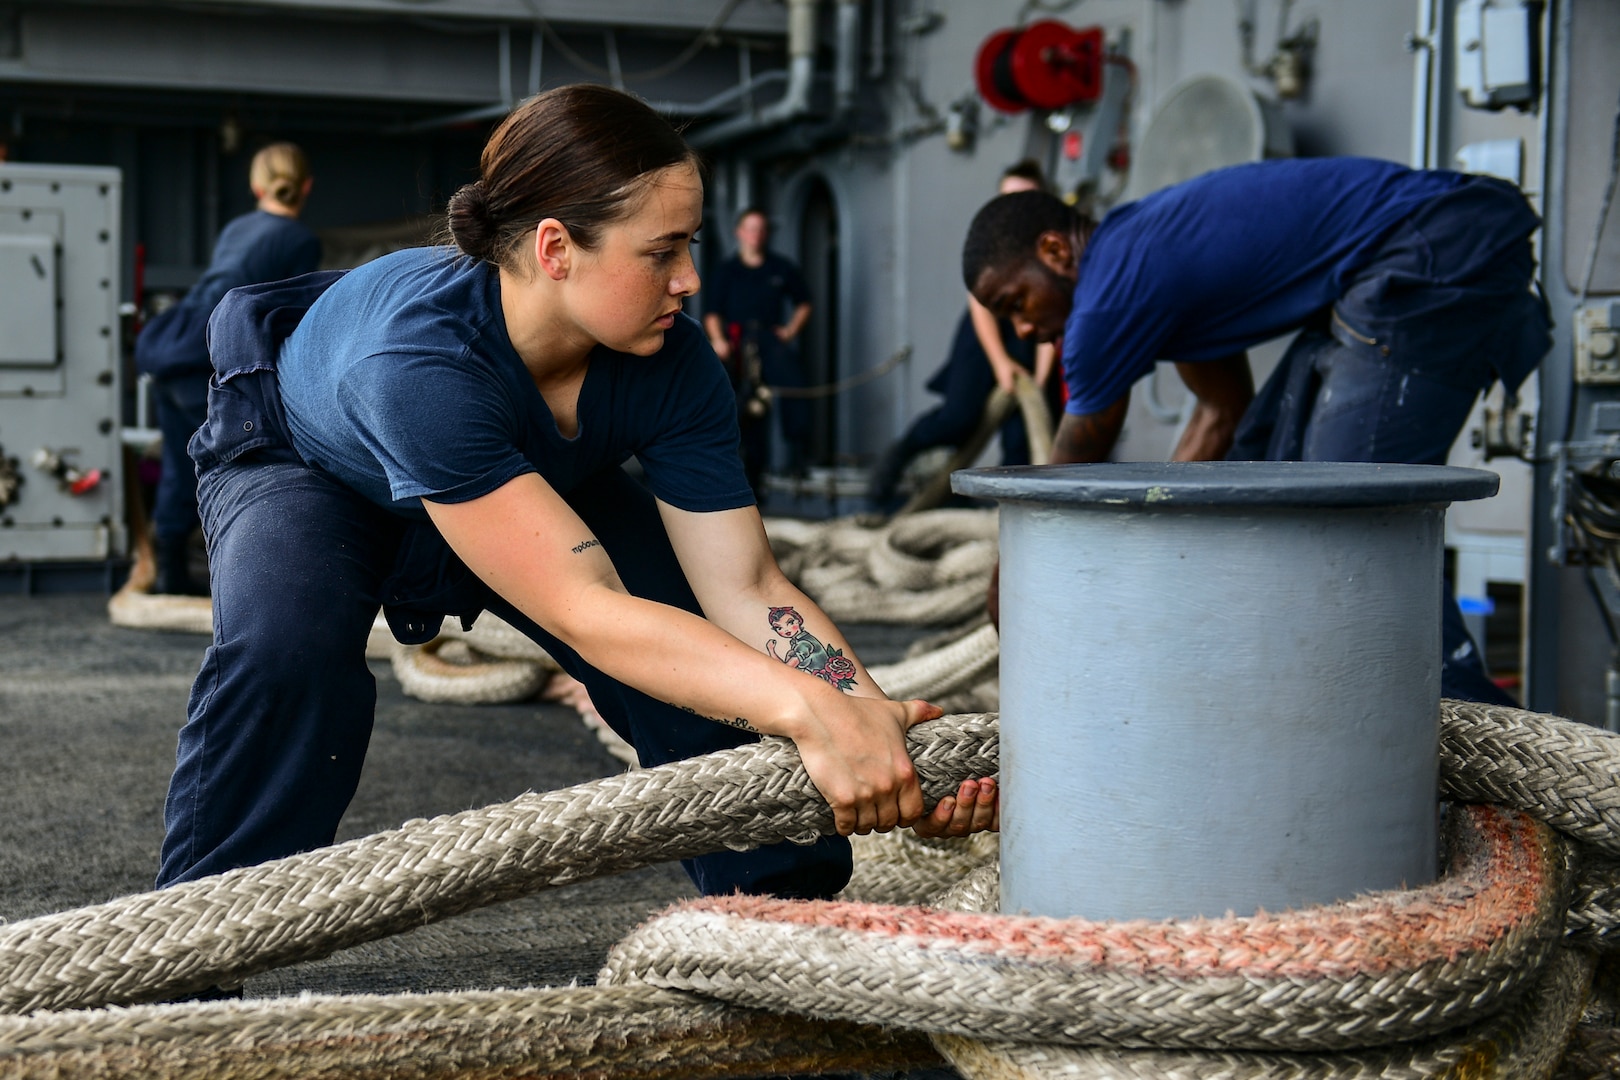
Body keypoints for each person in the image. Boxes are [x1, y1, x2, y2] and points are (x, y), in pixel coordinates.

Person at [158, 85, 996, 903]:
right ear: (557, 250)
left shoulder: (669, 363)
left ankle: (779, 914)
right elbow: (583, 610)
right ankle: (185, 956)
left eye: (692, 244)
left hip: (518, 466)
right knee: (286, 653)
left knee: (696, 652)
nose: (691, 279)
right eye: (661, 251)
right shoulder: (419, 366)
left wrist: (877, 729)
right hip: (309, 464)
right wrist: (813, 714)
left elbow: (747, 588)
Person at [961, 156, 1551, 706]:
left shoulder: (1106, 299)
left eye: (1016, 302)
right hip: (1410, 254)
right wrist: (1160, 566)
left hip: (1435, 245)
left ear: (1056, 250)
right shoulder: (1138, 260)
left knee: (1348, 524)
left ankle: (1477, 740)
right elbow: (1223, 415)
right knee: (1266, 463)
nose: (1023, 329)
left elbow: (1063, 479)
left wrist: (1008, 581)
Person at [134, 142, 321, 595]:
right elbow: (290, 316)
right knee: (241, 469)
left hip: (177, 350)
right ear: (307, 187)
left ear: (256, 186)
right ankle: (240, 588)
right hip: (214, 359)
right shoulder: (300, 241)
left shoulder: (238, 227)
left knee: (182, 468)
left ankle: (171, 579)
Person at [868, 161, 1058, 506]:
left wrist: (1039, 382)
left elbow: (1052, 318)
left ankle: (1007, 519)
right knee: (959, 418)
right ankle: (897, 460)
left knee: (1020, 439)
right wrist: (1000, 363)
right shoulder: (991, 239)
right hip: (985, 328)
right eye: (1007, 197)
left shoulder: (1051, 247)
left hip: (1031, 330)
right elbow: (980, 304)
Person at [702, 208, 814, 494]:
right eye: (750, 229)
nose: (756, 235)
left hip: (769, 337)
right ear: (739, 233)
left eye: (761, 229)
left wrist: (789, 331)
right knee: (743, 407)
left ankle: (798, 458)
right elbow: (713, 313)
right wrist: (718, 341)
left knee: (794, 387)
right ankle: (746, 476)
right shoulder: (728, 271)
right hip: (736, 342)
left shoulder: (780, 267)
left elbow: (804, 302)